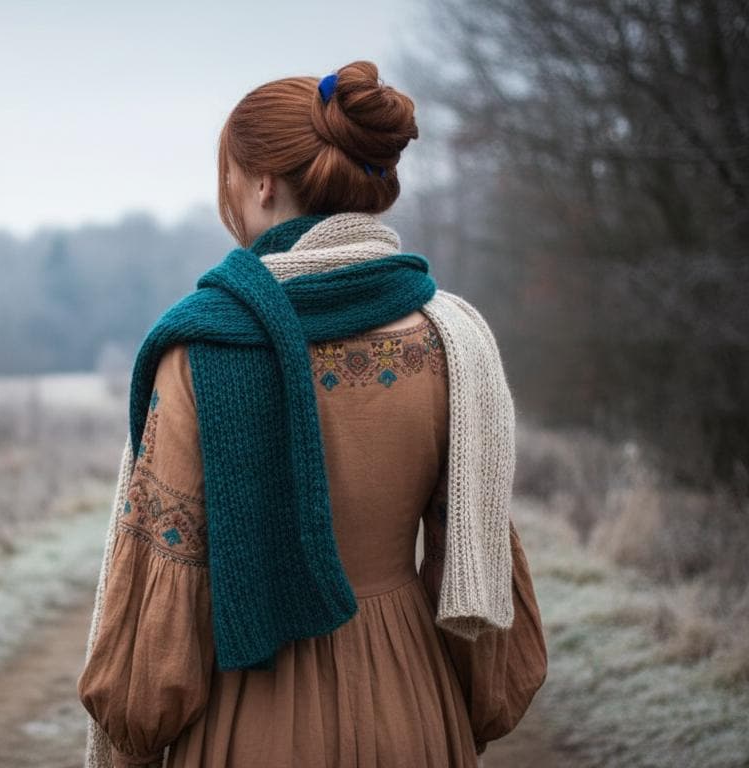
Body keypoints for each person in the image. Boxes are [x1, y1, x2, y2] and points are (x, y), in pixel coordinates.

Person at [76, 60, 547, 768]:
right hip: (412, 709)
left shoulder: (203, 346)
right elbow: (472, 581)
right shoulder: (455, 340)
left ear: (261, 183)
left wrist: (134, 733)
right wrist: (460, 713)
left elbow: (161, 602)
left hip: (247, 722)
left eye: (227, 176)